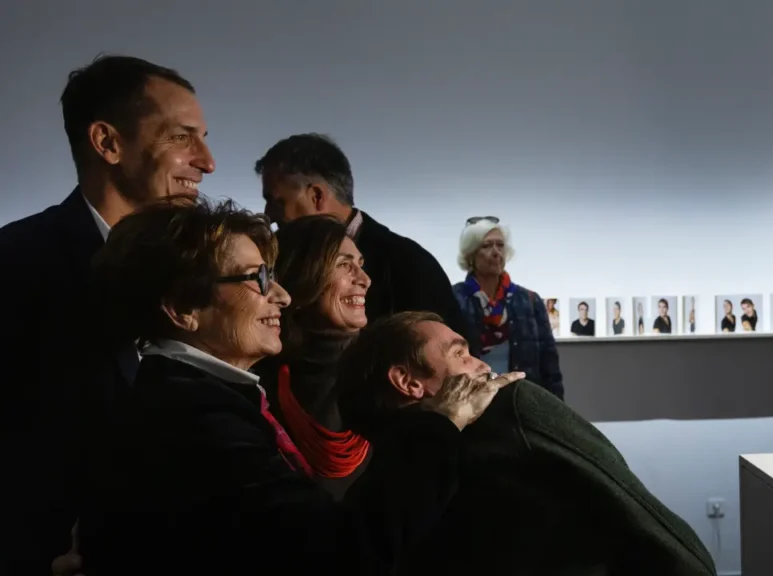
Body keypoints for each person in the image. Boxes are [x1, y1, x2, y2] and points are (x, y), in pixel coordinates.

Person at [81, 198, 519, 575]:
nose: (282, 296)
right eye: (257, 279)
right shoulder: (195, 419)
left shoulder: (199, 401)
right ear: (182, 308)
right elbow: (344, 553)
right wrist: (442, 422)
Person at [0, 54, 214, 575]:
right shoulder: (16, 263)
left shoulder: (208, 269)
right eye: (181, 136)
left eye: (204, 138)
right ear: (107, 143)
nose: (207, 161)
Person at [335, 311, 718, 576]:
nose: (483, 365)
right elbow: (638, 514)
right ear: (408, 382)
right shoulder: (513, 407)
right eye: (459, 354)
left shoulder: (378, 492)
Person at [255, 133, 474, 354]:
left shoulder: (410, 265)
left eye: (276, 201)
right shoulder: (275, 259)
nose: (268, 215)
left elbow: (452, 357)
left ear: (317, 196)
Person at [252, 214, 373, 501]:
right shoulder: (258, 383)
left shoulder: (391, 369)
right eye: (344, 265)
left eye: (360, 265)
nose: (365, 280)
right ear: (304, 273)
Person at [452, 217, 564, 399]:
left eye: (500, 245)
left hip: (520, 401)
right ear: (471, 255)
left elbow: (549, 363)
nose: (496, 252)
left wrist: (557, 407)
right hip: (470, 401)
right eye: (487, 246)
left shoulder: (529, 300)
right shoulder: (454, 299)